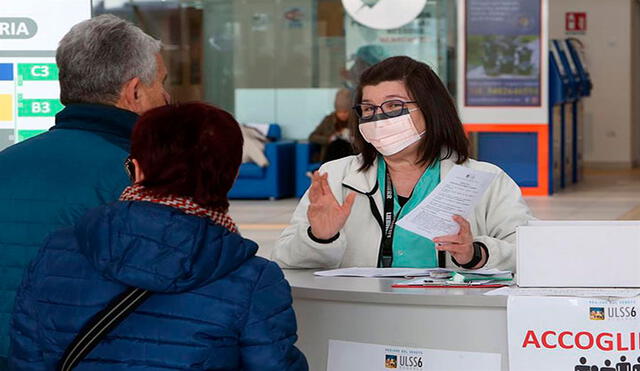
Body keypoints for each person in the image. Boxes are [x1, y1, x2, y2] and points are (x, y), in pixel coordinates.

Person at [9, 103, 308, 370]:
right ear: (230, 178)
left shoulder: (57, 249)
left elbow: (27, 357)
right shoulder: (252, 279)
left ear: (136, 170)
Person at [0, 14, 170, 367]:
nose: (167, 97)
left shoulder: (7, 162)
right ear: (134, 91)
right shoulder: (138, 176)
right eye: (162, 84)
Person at [272, 56, 533, 271]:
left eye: (394, 106)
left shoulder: (485, 179)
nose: (379, 118)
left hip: (451, 320)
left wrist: (475, 253)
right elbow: (284, 259)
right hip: (358, 321)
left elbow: (529, 255)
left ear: (431, 109)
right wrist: (320, 237)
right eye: (369, 109)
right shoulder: (336, 176)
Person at [309, 88, 355, 163]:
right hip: (331, 156)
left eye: (345, 112)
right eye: (339, 112)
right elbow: (312, 136)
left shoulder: (355, 120)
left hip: (350, 155)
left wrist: (352, 138)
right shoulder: (328, 120)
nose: (342, 115)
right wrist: (329, 139)